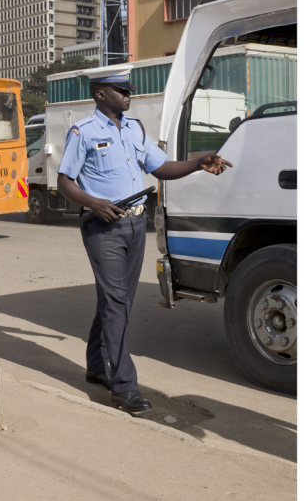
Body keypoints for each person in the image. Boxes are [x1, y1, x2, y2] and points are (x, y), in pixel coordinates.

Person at [57, 69, 232, 414]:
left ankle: (96, 365)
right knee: (116, 302)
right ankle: (123, 387)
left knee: (117, 301)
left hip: (136, 226)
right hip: (103, 227)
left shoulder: (134, 128)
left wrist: (198, 162)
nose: (128, 94)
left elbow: (161, 167)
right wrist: (94, 202)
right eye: (120, 89)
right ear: (100, 94)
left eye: (128, 89)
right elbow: (65, 181)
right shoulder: (83, 132)